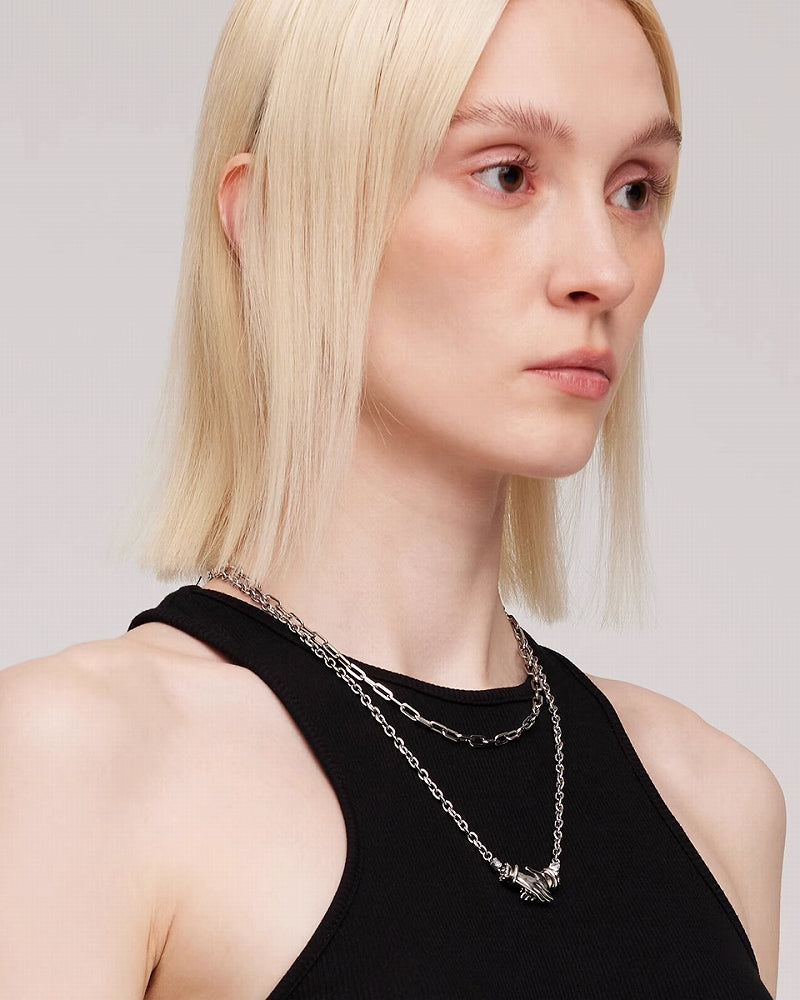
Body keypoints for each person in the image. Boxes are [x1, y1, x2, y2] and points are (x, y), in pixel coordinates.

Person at [0, 0, 785, 996]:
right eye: (507, 174)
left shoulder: (717, 803)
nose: (604, 270)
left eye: (635, 189)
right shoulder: (78, 763)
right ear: (274, 218)